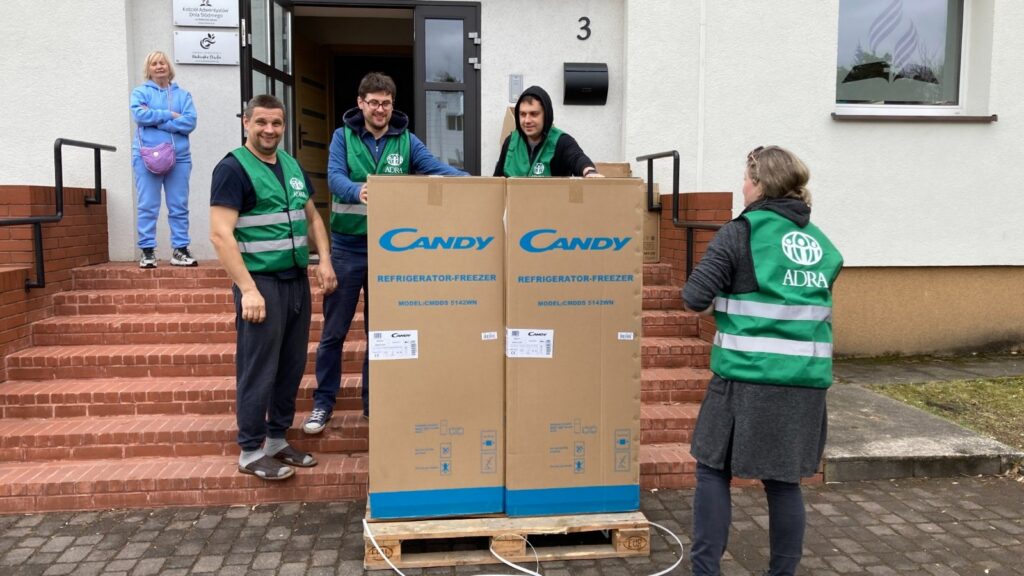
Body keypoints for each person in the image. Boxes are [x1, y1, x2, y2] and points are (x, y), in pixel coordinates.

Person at [682, 146, 843, 576]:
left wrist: (722, 303)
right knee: (784, 483)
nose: (742, 186)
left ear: (761, 184)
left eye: (746, 179)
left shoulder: (741, 233)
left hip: (745, 377)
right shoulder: (821, 243)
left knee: (712, 471)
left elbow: (695, 297)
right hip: (805, 383)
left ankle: (705, 571)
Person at [305, 72, 467, 434]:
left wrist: (476, 183)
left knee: (381, 334)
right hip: (348, 249)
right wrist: (357, 190)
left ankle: (373, 403)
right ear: (361, 103)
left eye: (387, 103)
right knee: (334, 332)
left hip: (389, 252)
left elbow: (437, 169)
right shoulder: (343, 137)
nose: (380, 110)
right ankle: (322, 404)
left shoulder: (406, 140)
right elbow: (334, 178)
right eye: (374, 103)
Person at [210, 94, 337, 480]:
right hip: (261, 283)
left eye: (276, 123)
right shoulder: (232, 169)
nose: (269, 130)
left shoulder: (291, 165)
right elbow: (220, 234)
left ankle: (276, 439)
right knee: (258, 367)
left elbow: (312, 218)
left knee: (290, 365)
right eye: (261, 122)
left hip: (295, 281)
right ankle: (250, 450)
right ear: (246, 123)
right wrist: (248, 289)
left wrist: (324, 260)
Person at [130, 50, 199, 268]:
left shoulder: (183, 96)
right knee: (148, 205)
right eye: (154, 64)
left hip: (180, 158)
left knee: (179, 205)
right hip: (146, 157)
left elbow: (190, 122)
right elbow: (139, 115)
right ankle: (147, 251)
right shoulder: (140, 92)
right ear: (148, 69)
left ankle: (180, 250)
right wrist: (169, 115)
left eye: (163, 63)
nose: (159, 66)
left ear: (169, 67)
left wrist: (156, 121)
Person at [494, 85, 603, 178]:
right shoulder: (511, 142)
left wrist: (589, 172)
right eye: (523, 114)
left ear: (546, 115)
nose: (527, 120)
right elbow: (497, 181)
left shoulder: (562, 142)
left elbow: (577, 158)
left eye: (534, 114)